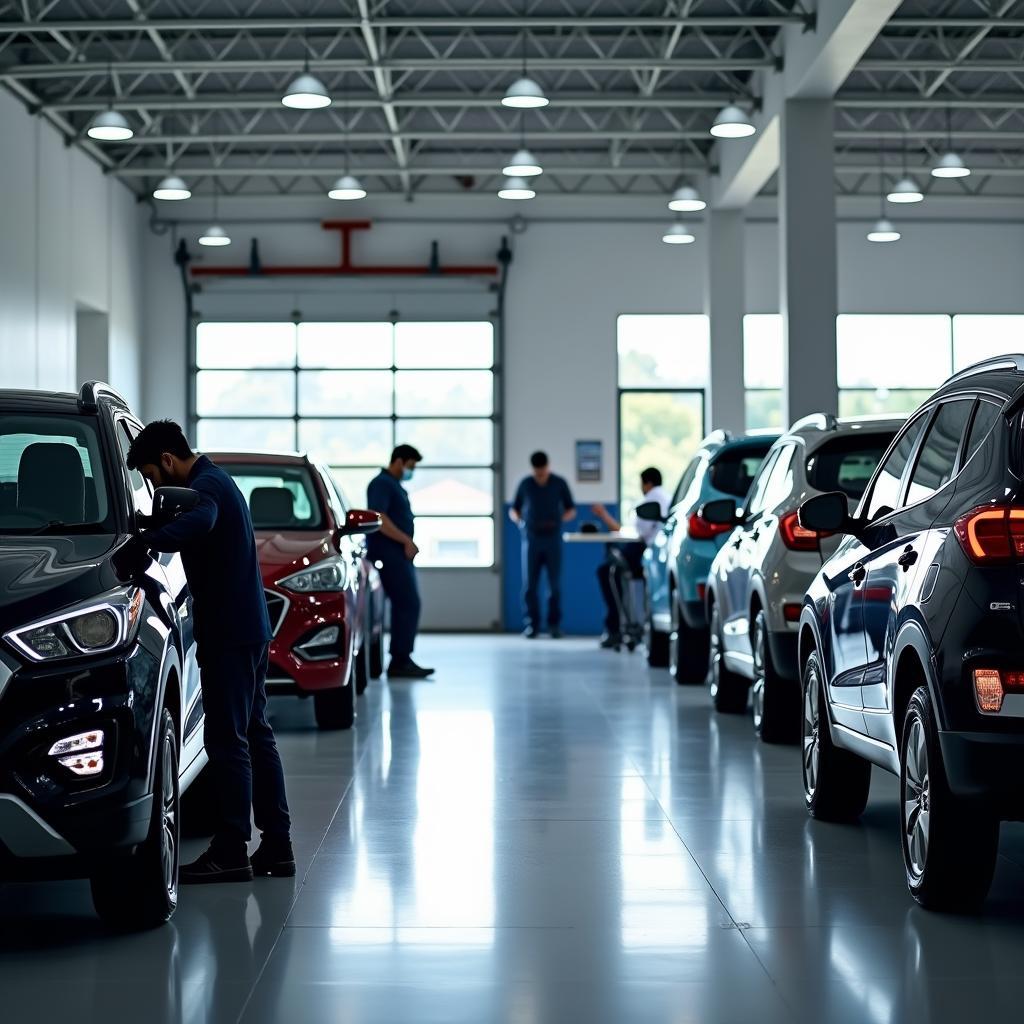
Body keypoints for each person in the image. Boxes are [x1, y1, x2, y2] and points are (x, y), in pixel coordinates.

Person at [127, 421, 293, 884]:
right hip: (248, 629)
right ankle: (278, 845)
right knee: (255, 733)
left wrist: (145, 541)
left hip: (229, 635)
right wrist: (152, 524)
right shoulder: (215, 480)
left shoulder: (206, 488)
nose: (154, 486)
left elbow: (202, 520)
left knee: (227, 740)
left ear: (166, 460)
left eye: (152, 477)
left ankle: (231, 849)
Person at [366, 444, 434, 679]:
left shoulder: (394, 485)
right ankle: (400, 660)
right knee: (408, 603)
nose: (411, 471)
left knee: (406, 604)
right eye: (410, 466)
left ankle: (401, 658)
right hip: (389, 554)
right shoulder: (382, 484)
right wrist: (406, 540)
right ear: (398, 461)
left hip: (397, 556)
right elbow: (379, 517)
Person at [592, 467, 670, 649]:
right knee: (610, 570)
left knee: (607, 572)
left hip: (643, 554)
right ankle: (623, 626)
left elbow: (636, 533)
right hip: (653, 553)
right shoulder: (666, 498)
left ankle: (616, 628)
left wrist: (603, 515)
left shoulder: (651, 500)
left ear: (647, 483)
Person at [510, 451, 576, 638]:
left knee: (554, 585)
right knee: (530, 584)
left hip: (552, 539)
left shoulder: (559, 483)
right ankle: (532, 625)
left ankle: (554, 625)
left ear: (548, 466)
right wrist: (519, 521)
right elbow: (514, 510)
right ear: (533, 469)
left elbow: (571, 510)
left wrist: (559, 520)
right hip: (531, 538)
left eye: (543, 471)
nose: (540, 475)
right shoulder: (526, 484)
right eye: (537, 472)